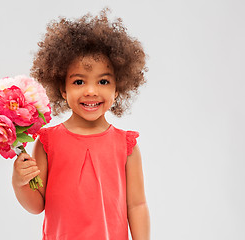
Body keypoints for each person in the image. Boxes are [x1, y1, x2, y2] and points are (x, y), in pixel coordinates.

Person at [12, 9, 150, 240]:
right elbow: (37, 205)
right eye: (78, 81)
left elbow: (137, 205)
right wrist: (20, 182)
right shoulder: (48, 142)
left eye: (103, 81)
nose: (91, 91)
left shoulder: (126, 145)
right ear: (63, 89)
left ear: (117, 89)